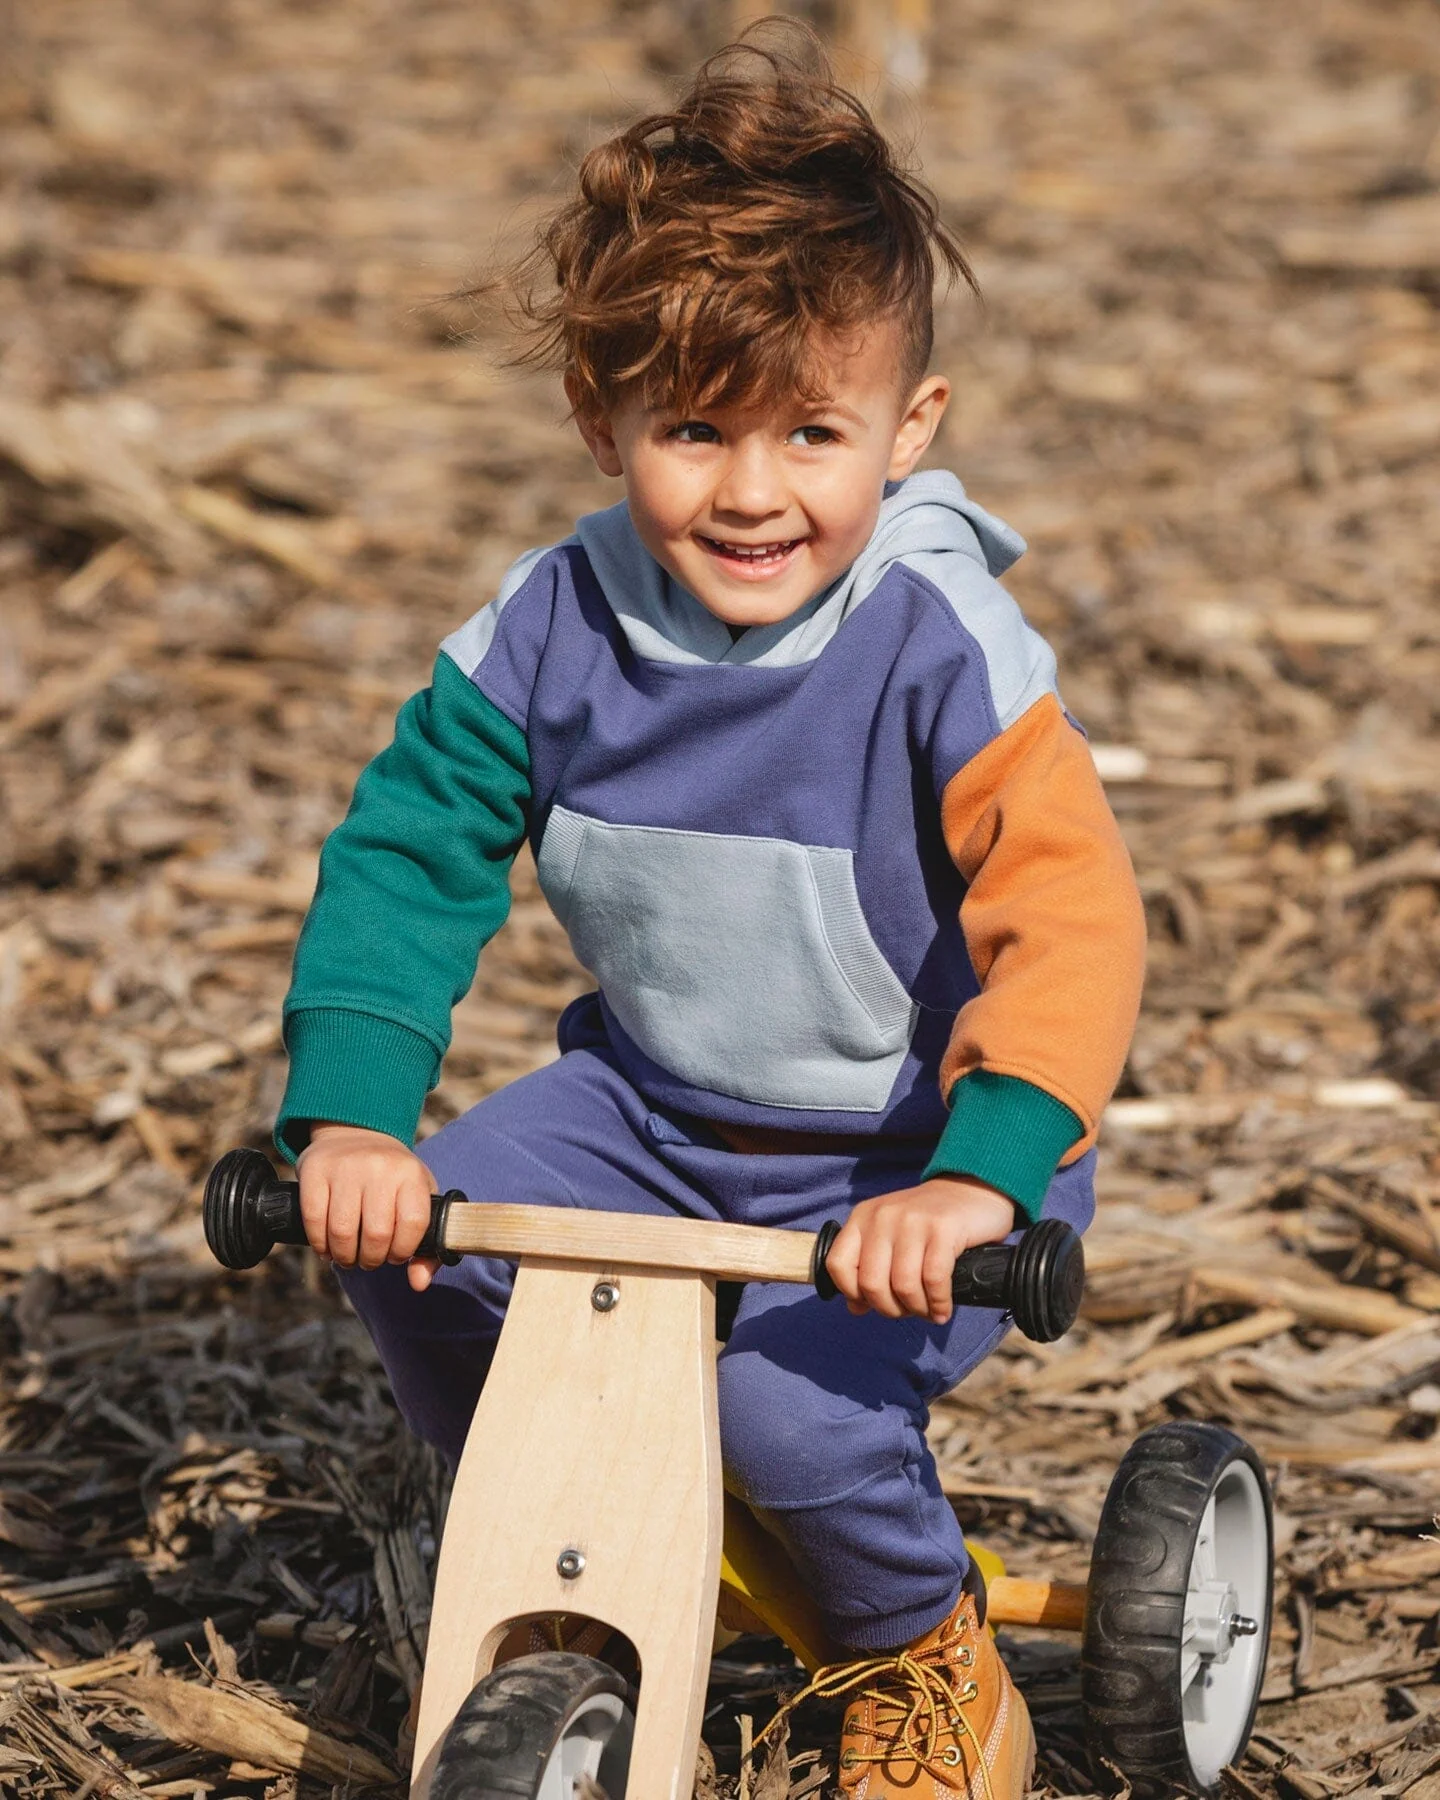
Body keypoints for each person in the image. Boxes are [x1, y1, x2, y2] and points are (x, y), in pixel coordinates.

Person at [273, 25, 1146, 1798]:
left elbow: (1071, 918)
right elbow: (410, 848)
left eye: (812, 432)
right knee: (429, 1247)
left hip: (907, 1148)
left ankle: (919, 1653)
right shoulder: (550, 626)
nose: (753, 491)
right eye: (693, 430)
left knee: (786, 1408)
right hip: (655, 1114)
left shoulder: (936, 647)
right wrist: (352, 1117)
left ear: (907, 429)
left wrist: (981, 1171)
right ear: (601, 419)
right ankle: (565, 1533)